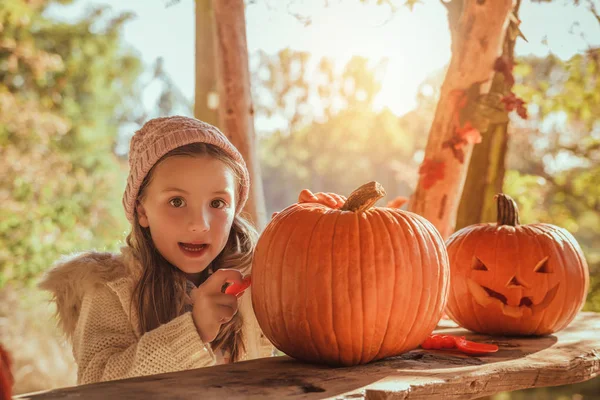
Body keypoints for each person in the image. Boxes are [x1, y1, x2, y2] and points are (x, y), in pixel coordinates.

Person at [39, 116, 346, 384]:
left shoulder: (260, 280)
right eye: (176, 202)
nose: (199, 224)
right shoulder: (110, 291)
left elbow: (328, 325)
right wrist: (193, 330)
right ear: (142, 211)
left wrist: (324, 236)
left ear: (235, 208)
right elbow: (96, 386)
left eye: (217, 203)